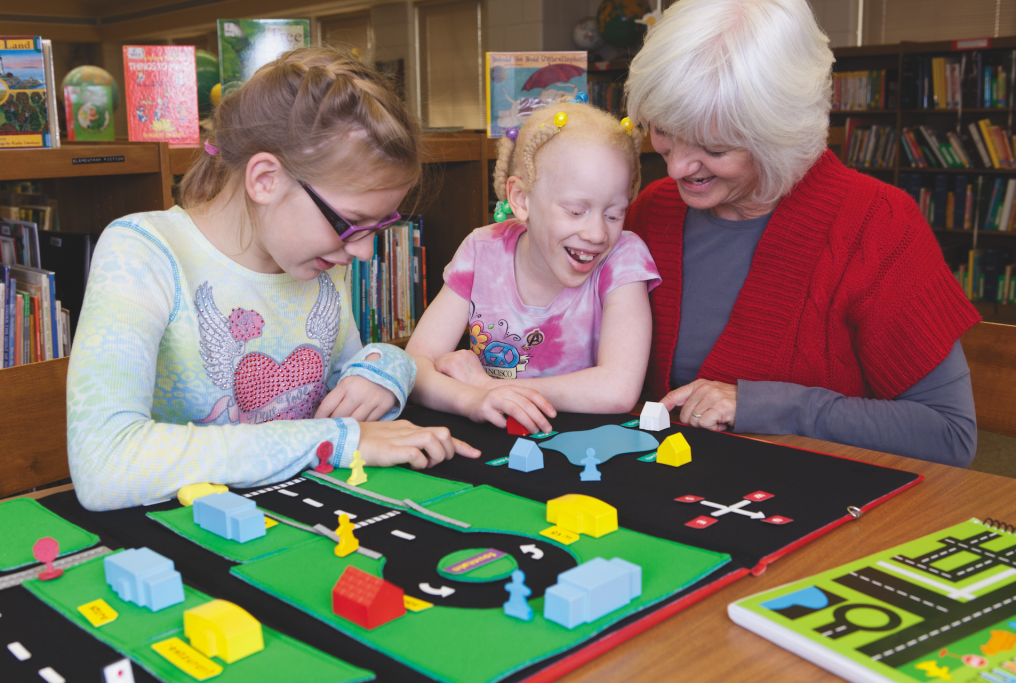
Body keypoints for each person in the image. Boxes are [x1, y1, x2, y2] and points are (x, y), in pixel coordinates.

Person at [67, 48, 477, 511]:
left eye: (378, 228)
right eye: (351, 223)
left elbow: (350, 382)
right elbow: (104, 464)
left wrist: (385, 371)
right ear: (264, 179)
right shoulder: (141, 252)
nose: (363, 252)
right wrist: (334, 440)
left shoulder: (317, 260)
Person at [623, 0, 980, 466]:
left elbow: (949, 436)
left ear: (777, 134)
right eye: (664, 131)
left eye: (712, 147)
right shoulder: (650, 212)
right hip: (668, 500)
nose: (676, 166)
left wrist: (769, 406)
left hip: (817, 508)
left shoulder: (877, 223)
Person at [407, 103, 661, 432]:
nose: (598, 233)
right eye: (575, 211)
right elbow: (414, 366)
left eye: (614, 214)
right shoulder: (481, 251)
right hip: (491, 438)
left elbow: (618, 389)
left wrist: (488, 387)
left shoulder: (623, 258)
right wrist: (470, 400)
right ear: (522, 199)